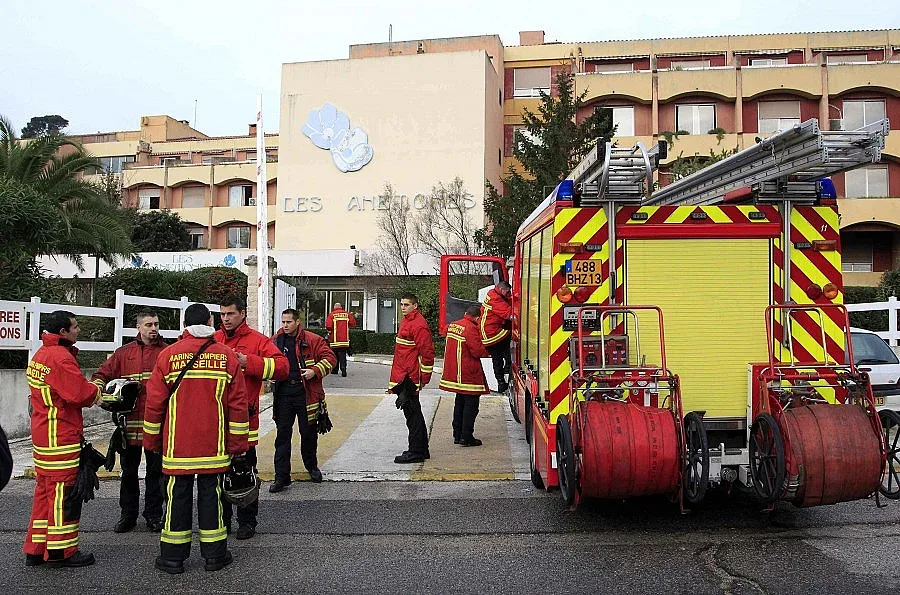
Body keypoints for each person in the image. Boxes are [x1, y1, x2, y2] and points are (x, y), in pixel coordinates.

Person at [144, 303, 249, 574]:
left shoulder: (167, 356)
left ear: (184, 325)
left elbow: (154, 404)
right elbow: (238, 404)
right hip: (213, 446)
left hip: (177, 446)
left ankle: (172, 558)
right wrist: (238, 445)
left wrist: (152, 441)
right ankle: (214, 556)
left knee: (176, 498)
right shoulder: (226, 356)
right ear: (210, 321)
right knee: (211, 499)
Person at [23, 310, 103, 568]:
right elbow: (79, 394)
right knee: (64, 494)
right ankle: (61, 551)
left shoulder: (41, 355)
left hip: (42, 434)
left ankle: (35, 550)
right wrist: (97, 389)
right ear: (63, 333)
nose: (79, 330)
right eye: (75, 327)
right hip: (62, 435)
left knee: (44, 492)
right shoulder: (60, 358)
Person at [214, 295, 288, 540]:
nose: (225, 319)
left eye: (230, 314)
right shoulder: (213, 340)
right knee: (216, 476)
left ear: (242, 314)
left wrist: (249, 362)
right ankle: (221, 521)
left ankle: (247, 522)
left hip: (245, 423)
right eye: (222, 314)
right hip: (216, 423)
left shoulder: (257, 340)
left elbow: (283, 367)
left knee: (244, 474)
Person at [90, 311, 167, 534]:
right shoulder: (124, 354)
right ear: (138, 327)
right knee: (128, 472)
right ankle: (128, 515)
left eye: (156, 324)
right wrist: (97, 394)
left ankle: (153, 515)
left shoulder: (166, 352)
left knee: (156, 473)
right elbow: (101, 374)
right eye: (148, 325)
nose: (153, 328)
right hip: (129, 425)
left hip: (156, 425)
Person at [269, 309, 337, 492]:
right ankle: (281, 477)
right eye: (283, 322)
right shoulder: (276, 340)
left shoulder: (313, 340)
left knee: (308, 433)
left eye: (288, 322)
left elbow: (330, 358)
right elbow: (265, 359)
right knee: (282, 435)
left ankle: (311, 466)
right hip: (283, 392)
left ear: (297, 322)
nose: (284, 325)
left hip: (306, 393)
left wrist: (315, 370)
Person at [389, 294, 435, 464]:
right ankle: (421, 449)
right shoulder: (408, 321)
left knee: (413, 415)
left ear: (415, 306)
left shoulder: (418, 325)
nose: (403, 307)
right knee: (413, 414)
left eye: (407, 305)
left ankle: (416, 452)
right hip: (405, 374)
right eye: (401, 304)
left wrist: (424, 378)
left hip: (410, 376)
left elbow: (427, 353)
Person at [440, 306, 490, 447]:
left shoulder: (454, 325)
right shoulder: (470, 328)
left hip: (455, 373)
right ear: (478, 318)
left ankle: (457, 434)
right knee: (471, 406)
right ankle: (467, 436)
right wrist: (491, 351)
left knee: (459, 404)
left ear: (465, 313)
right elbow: (477, 350)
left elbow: (444, 331)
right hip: (468, 374)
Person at [480, 281, 513, 393]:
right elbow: (509, 314)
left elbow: (507, 302)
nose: (509, 294)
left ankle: (501, 382)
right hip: (492, 333)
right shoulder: (496, 298)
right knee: (511, 338)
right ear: (502, 289)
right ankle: (506, 372)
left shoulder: (494, 294)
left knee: (497, 358)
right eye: (508, 292)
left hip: (489, 332)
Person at [325, 302, 357, 376]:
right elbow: (353, 324)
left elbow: (328, 326)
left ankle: (335, 370)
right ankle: (343, 370)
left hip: (334, 340)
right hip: (344, 340)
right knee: (343, 355)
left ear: (334, 307)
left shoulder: (332, 315)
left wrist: (329, 331)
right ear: (341, 307)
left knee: (335, 355)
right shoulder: (347, 314)